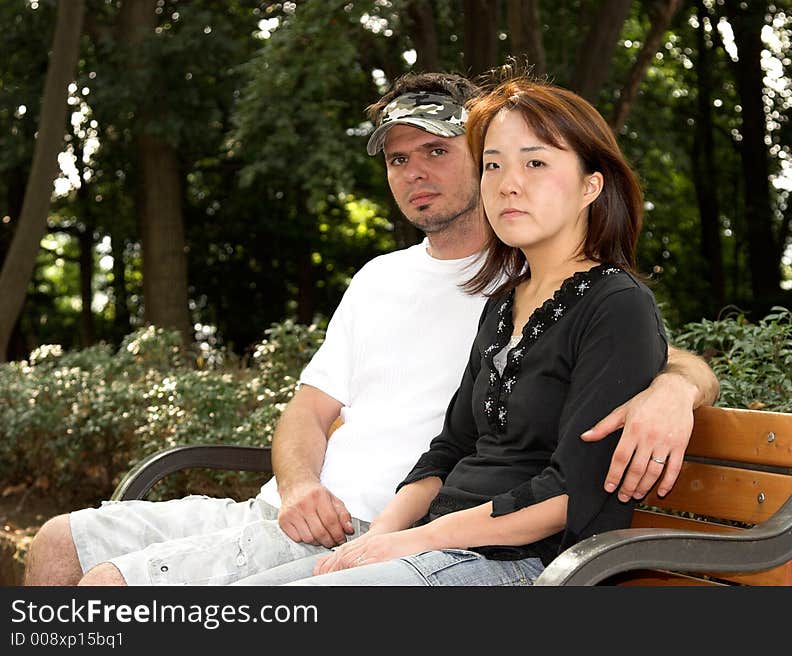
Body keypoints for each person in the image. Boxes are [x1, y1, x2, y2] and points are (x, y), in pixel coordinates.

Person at [24, 71, 717, 587]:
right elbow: (425, 440)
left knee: (122, 594)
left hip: (479, 548)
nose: (416, 171)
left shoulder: (567, 290)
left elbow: (633, 349)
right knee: (63, 547)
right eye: (396, 157)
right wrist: (331, 509)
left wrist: (677, 388)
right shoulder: (484, 296)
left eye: (438, 150)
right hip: (357, 525)